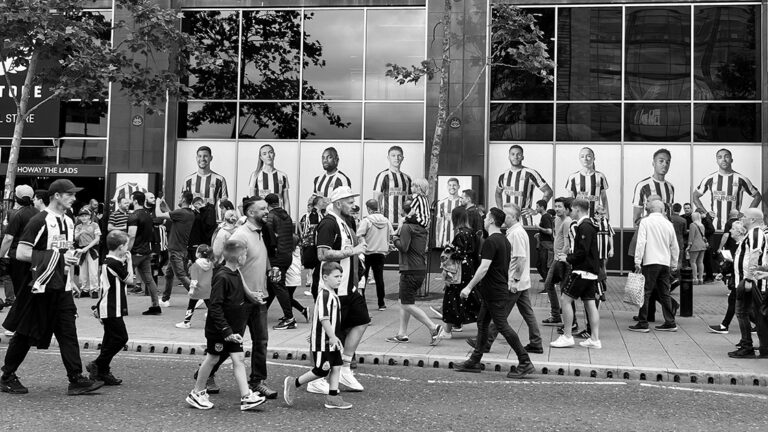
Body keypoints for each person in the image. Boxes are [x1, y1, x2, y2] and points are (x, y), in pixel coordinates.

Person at [1, 179, 104, 395]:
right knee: (26, 333)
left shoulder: (68, 221)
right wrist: (57, 260)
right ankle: (7, 376)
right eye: (70, 194)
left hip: (62, 288)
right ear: (57, 196)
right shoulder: (39, 221)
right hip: (40, 288)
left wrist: (72, 277)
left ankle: (76, 379)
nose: (74, 198)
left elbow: (65, 254)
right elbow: (21, 253)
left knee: (68, 331)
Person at [186, 239, 267, 411]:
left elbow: (241, 287)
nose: (246, 257)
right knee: (212, 358)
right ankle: (196, 392)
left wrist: (252, 296)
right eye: (245, 254)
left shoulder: (235, 271)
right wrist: (226, 330)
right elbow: (215, 306)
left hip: (232, 329)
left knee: (238, 358)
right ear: (238, 258)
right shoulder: (222, 277)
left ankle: (246, 397)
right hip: (220, 330)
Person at [454, 208, 534, 379]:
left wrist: (468, 287)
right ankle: (475, 360)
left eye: (486, 217)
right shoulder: (504, 240)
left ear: (490, 220)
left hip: (495, 292)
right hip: (493, 291)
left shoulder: (491, 241)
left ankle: (525, 361)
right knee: (482, 324)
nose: (483, 220)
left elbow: (484, 268)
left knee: (502, 326)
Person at [307, 186, 368, 394]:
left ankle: (344, 367)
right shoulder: (328, 223)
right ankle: (317, 377)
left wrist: (359, 244)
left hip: (349, 286)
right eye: (349, 202)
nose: (353, 206)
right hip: (331, 289)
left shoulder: (346, 221)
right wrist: (352, 250)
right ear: (338, 203)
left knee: (361, 322)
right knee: (328, 334)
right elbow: (322, 254)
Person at [467, 204, 543, 354]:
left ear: (514, 217)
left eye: (506, 215)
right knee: (527, 312)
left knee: (499, 316)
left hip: (514, 282)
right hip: (520, 280)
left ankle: (485, 342)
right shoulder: (514, 232)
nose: (504, 216)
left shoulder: (516, 233)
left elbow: (520, 259)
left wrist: (514, 280)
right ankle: (536, 341)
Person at [225, 197, 278, 399]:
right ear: (250, 213)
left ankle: (257, 382)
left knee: (261, 341)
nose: (267, 211)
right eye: (262, 209)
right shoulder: (240, 235)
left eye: (267, 208)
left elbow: (258, 259)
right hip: (241, 300)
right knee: (230, 342)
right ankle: (206, 374)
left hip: (259, 298)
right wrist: (248, 293)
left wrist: (270, 271)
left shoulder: (260, 232)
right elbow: (230, 267)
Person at [283, 262, 354, 409]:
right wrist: (332, 337)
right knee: (321, 370)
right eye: (336, 276)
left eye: (341, 276)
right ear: (325, 277)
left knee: (336, 366)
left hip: (330, 339)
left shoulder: (332, 294)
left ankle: (333, 398)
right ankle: (294, 382)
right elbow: (324, 318)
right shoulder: (325, 295)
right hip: (324, 341)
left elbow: (319, 317)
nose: (339, 279)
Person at [386, 199, 443, 345]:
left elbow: (404, 247)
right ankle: (402, 333)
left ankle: (433, 327)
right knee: (404, 301)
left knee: (406, 304)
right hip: (419, 269)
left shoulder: (406, 227)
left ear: (403, 214)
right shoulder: (422, 229)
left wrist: (394, 238)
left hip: (409, 269)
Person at [550, 198, 602, 349]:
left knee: (565, 299)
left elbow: (583, 251)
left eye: (571, 209)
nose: (570, 212)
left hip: (582, 271)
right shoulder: (590, 225)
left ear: (577, 209)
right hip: (590, 272)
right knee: (590, 303)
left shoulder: (584, 226)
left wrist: (568, 258)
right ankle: (594, 338)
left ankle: (567, 335)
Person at [87, 230, 133, 386]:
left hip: (109, 305)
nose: (128, 248)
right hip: (112, 306)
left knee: (109, 340)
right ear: (120, 247)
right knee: (121, 338)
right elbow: (130, 280)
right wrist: (130, 261)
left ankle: (103, 372)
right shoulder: (114, 263)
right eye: (126, 244)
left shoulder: (108, 261)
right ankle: (97, 364)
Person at [629, 200, 680, 333]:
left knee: (645, 293)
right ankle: (670, 321)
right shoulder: (668, 224)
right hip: (664, 262)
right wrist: (674, 264)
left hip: (650, 261)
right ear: (662, 210)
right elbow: (674, 246)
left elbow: (641, 242)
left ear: (648, 209)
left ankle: (643, 322)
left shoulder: (645, 222)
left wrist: (637, 261)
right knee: (665, 293)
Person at [728, 208, 767, 358]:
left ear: (752, 220)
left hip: (749, 281)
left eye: (744, 216)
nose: (742, 218)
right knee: (743, 313)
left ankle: (747, 346)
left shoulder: (756, 233)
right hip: (745, 280)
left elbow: (755, 256)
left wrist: (749, 279)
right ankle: (747, 343)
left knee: (743, 312)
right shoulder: (751, 234)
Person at [692, 148, 761, 231]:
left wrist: (746, 215)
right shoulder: (710, 179)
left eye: (726, 157)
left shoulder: (741, 179)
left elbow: (757, 196)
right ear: (717, 161)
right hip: (714, 227)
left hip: (735, 228)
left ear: (731, 160)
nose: (723, 160)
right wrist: (706, 213)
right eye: (720, 157)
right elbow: (695, 195)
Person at [437, 206, 480, 339]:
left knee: (451, 298)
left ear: (456, 218)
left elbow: (459, 253)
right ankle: (483, 326)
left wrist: (449, 249)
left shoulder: (460, 233)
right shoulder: (471, 232)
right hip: (470, 270)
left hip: (458, 272)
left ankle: (448, 331)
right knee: (472, 298)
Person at [0, 185, 39, 309]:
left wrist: (0, 255)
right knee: (32, 288)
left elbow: (8, 238)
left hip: (18, 256)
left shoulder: (17, 215)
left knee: (20, 290)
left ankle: (23, 320)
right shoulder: (39, 213)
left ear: (16, 198)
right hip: (35, 256)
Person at [263, 193, 298, 330]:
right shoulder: (286, 216)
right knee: (273, 285)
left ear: (267, 204)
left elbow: (269, 235)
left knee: (278, 286)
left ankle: (289, 318)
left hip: (276, 257)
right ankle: (260, 312)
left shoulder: (271, 216)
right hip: (287, 255)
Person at [155, 191, 196, 307]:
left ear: (183, 199)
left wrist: (158, 203)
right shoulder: (188, 213)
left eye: (179, 197)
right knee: (169, 274)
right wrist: (164, 205)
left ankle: (198, 296)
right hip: (181, 249)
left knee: (181, 275)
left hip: (175, 249)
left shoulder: (181, 213)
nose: (178, 199)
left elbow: (159, 214)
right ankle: (165, 299)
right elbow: (172, 214)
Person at [495, 144, 553, 225]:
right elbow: (498, 193)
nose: (515, 157)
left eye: (518, 154)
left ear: (522, 157)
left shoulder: (530, 173)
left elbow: (548, 191)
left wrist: (537, 210)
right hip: (507, 219)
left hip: (524, 219)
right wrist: (501, 211)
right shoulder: (503, 175)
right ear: (509, 157)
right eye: (513, 154)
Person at [707, 220, 747, 334]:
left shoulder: (743, 244)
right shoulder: (738, 245)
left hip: (742, 280)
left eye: (733, 229)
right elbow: (735, 263)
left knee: (739, 304)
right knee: (739, 303)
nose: (730, 231)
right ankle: (725, 325)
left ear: (739, 232)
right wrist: (724, 273)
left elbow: (741, 263)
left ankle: (725, 326)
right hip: (739, 279)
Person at [127, 191, 161, 315]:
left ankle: (120, 307)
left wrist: (126, 251)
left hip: (135, 252)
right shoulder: (147, 215)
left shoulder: (134, 216)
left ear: (135, 201)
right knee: (149, 279)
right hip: (146, 251)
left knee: (122, 278)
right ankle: (155, 305)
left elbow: (131, 236)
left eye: (131, 199)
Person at [540, 197, 573, 327]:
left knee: (562, 289)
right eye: (556, 206)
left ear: (566, 209)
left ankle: (566, 319)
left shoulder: (567, 222)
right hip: (557, 257)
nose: (557, 209)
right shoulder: (558, 219)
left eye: (560, 206)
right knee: (556, 286)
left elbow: (567, 244)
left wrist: (560, 258)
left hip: (562, 259)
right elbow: (557, 237)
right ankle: (557, 315)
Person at [357, 199, 394, 311]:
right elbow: (392, 233)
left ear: (368, 208)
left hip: (367, 252)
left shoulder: (367, 221)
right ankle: (381, 303)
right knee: (379, 278)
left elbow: (359, 234)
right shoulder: (386, 220)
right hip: (381, 253)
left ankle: (361, 302)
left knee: (362, 277)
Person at [181, 145, 229, 221]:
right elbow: (184, 203)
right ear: (196, 158)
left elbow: (224, 203)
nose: (202, 159)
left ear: (211, 158)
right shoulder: (188, 180)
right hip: (192, 221)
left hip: (211, 222)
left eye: (205, 156)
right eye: (199, 156)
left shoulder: (219, 179)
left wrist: (223, 221)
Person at [564, 147, 610, 219]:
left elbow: (604, 198)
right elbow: (570, 199)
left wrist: (607, 215)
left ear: (594, 158)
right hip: (579, 216)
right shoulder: (573, 177)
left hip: (596, 216)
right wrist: (569, 217)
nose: (585, 159)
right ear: (579, 159)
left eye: (588, 156)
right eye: (582, 156)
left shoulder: (600, 176)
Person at [372, 145, 412, 228]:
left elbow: (409, 200)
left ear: (402, 158)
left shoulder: (407, 178)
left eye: (399, 156)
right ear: (388, 158)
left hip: (404, 222)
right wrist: (378, 219)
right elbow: (376, 198)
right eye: (393, 155)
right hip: (386, 222)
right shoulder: (383, 176)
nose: (396, 158)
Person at [632, 148, 675, 225]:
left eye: (667, 162)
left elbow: (669, 214)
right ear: (653, 163)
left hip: (665, 232)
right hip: (649, 232)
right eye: (661, 161)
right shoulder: (642, 186)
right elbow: (636, 218)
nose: (664, 164)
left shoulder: (670, 187)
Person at [176, 245, 214, 329]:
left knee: (191, 306)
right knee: (211, 306)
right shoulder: (211, 264)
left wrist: (191, 290)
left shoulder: (195, 266)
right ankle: (216, 322)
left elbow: (194, 280)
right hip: (208, 289)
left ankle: (186, 322)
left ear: (198, 254)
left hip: (197, 290)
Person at [248, 144, 292, 215]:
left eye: (270, 152)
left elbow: (286, 200)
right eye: (264, 154)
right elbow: (252, 200)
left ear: (274, 154)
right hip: (262, 216)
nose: (268, 156)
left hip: (278, 215)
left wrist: (288, 218)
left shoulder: (282, 175)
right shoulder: (255, 175)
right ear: (261, 157)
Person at [74, 207, 101, 298]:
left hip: (92, 250)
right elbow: (76, 238)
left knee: (93, 271)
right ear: (79, 218)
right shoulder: (78, 226)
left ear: (89, 216)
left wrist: (88, 247)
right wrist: (80, 233)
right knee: (82, 271)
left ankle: (94, 289)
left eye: (86, 216)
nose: (84, 218)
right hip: (82, 250)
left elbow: (97, 238)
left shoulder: (95, 225)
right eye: (82, 216)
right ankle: (85, 289)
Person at [435, 177, 462, 248]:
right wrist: (437, 239)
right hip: (443, 240)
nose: (452, 187)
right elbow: (439, 222)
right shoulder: (441, 203)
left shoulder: (462, 203)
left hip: (459, 240)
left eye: (454, 185)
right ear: (447, 187)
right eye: (450, 185)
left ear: (458, 187)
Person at [534, 199, 554, 283]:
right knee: (540, 265)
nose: (536, 208)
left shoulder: (545, 217)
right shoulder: (546, 216)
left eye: (537, 207)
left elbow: (549, 231)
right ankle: (547, 281)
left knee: (543, 266)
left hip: (546, 246)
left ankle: (548, 285)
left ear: (542, 207)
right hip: (544, 244)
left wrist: (539, 228)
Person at [687, 212, 708, 285]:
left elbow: (691, 237)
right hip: (702, 245)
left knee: (693, 262)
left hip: (695, 246)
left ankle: (695, 278)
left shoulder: (692, 225)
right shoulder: (702, 225)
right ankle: (701, 278)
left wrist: (689, 245)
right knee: (700, 262)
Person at [670, 203, 687, 269]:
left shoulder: (668, 219)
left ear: (672, 209)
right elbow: (684, 232)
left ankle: (670, 276)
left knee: (669, 259)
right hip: (679, 241)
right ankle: (677, 276)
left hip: (670, 241)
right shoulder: (683, 220)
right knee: (679, 260)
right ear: (680, 210)